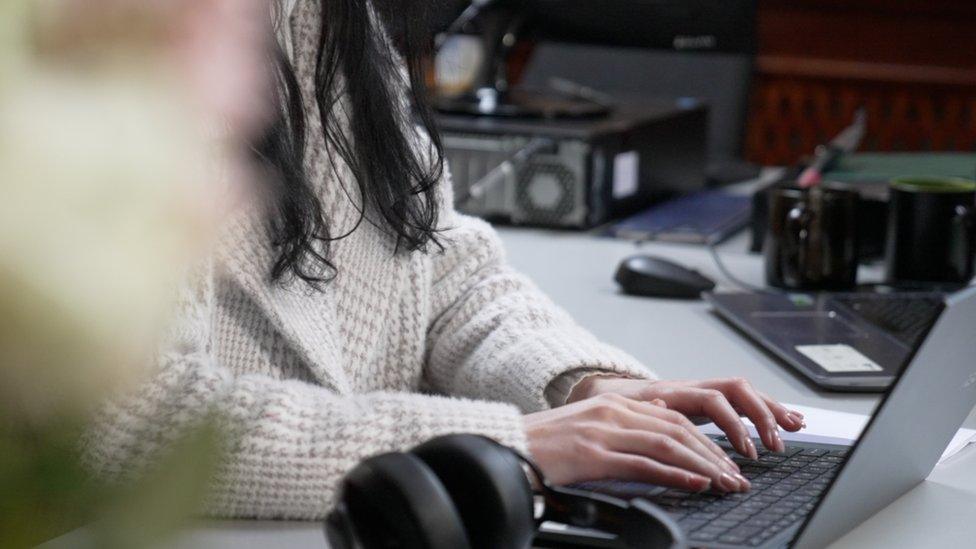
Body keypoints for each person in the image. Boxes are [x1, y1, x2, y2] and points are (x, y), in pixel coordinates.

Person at [84, 0, 805, 519]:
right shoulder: (93, 46)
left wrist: (583, 386)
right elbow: (135, 423)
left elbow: (442, 269)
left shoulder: (332, 19)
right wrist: (505, 443)